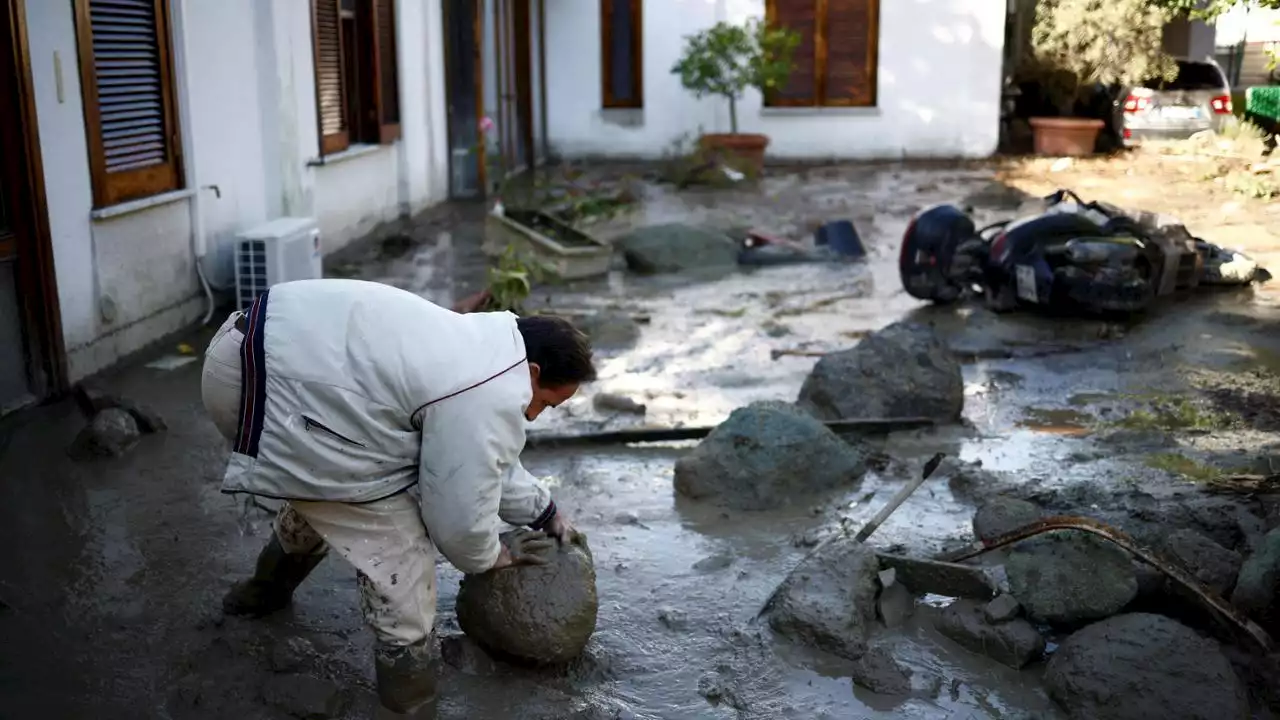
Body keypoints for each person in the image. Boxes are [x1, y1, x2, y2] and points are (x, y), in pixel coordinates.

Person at [199, 278, 595, 713]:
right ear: (534, 372)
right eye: (544, 403)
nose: (534, 415)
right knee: (401, 560)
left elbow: (482, 458)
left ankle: (261, 594)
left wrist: (546, 512)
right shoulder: (492, 388)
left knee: (337, 493)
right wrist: (491, 556)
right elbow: (458, 517)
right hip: (266, 389)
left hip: (253, 345)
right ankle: (411, 702)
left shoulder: (490, 344)